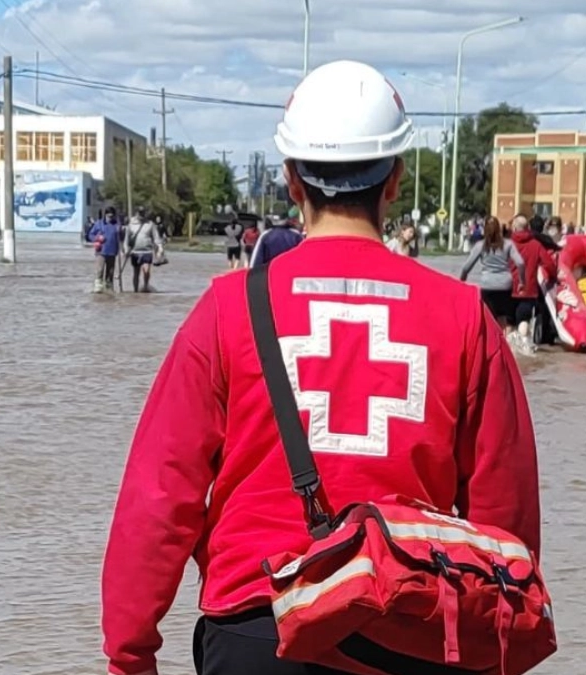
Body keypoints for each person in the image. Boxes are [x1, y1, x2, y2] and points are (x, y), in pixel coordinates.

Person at [101, 59, 541, 675]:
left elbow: (158, 497)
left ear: (290, 180)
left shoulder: (228, 310)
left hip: (257, 634)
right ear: (395, 180)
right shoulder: (465, 318)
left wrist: (130, 655)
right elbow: (506, 527)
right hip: (410, 633)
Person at [459, 216, 526, 330]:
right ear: (499, 229)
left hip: (487, 284)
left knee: (487, 317)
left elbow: (466, 267)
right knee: (503, 318)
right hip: (505, 285)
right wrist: (522, 281)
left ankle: (488, 344)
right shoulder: (508, 244)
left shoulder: (480, 245)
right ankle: (503, 343)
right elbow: (520, 262)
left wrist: (462, 279)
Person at [509, 214, 558, 353]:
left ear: (514, 228)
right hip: (528, 290)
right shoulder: (535, 245)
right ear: (528, 228)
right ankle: (524, 351)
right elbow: (549, 263)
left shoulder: (507, 243)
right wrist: (553, 277)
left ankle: (509, 354)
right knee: (524, 320)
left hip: (508, 288)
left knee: (509, 323)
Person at [124, 209, 160, 293]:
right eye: (140, 213)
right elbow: (127, 238)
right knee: (136, 272)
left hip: (147, 251)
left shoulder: (150, 224)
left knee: (146, 271)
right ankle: (135, 290)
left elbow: (156, 237)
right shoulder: (131, 225)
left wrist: (160, 248)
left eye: (143, 213)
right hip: (135, 252)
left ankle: (145, 286)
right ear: (136, 214)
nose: (141, 215)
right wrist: (125, 249)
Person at [87, 206, 122, 293]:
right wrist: (97, 238)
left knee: (110, 272)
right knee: (100, 270)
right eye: (109, 216)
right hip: (101, 251)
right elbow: (90, 235)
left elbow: (121, 238)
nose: (110, 218)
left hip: (112, 252)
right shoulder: (99, 224)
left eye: (112, 216)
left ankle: (109, 287)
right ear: (105, 215)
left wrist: (121, 231)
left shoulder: (117, 225)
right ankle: (98, 287)